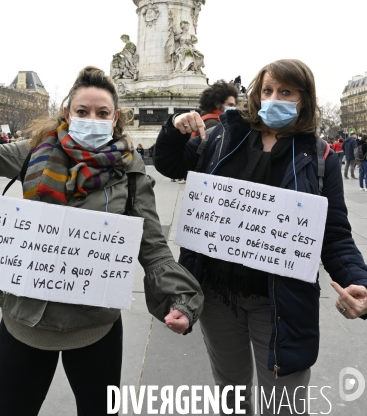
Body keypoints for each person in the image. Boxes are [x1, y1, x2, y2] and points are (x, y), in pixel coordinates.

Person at [0, 66, 203, 416]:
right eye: (82, 112)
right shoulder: (35, 149)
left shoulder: (130, 167)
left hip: (95, 326)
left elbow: (152, 244)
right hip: (24, 321)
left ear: (115, 117)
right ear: (67, 113)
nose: (91, 118)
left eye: (102, 113)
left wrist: (181, 298)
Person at [154, 58, 367, 416]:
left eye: (286, 91)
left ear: (304, 100)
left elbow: (334, 233)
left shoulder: (319, 157)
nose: (274, 98)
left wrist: (358, 280)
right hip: (218, 296)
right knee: (231, 395)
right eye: (267, 90)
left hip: (281, 301)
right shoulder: (223, 136)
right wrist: (174, 128)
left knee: (283, 403)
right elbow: (170, 164)